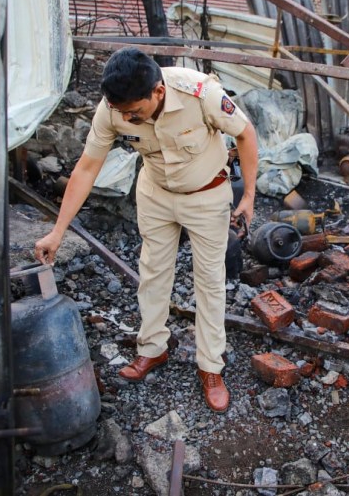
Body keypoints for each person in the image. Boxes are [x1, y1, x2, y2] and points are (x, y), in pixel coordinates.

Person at [35, 48, 258, 413]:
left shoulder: (200, 93)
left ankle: (211, 367)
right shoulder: (113, 108)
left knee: (209, 280)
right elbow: (88, 167)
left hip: (206, 195)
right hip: (155, 192)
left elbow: (246, 134)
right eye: (122, 112)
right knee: (152, 271)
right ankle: (152, 349)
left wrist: (248, 195)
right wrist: (58, 231)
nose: (126, 119)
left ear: (157, 91)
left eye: (134, 112)